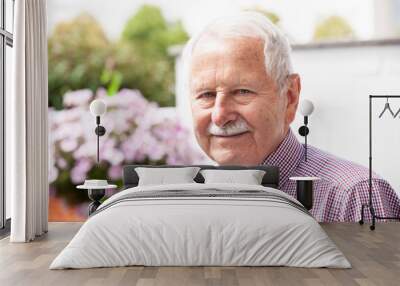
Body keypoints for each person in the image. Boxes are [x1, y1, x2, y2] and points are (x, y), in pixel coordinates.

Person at [181, 12, 400, 222]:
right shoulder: (185, 205)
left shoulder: (355, 198)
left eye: (242, 92)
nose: (220, 116)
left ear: (290, 97)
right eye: (206, 95)